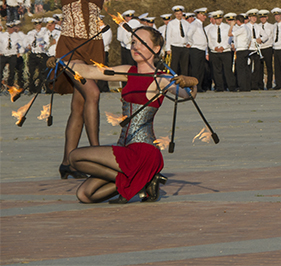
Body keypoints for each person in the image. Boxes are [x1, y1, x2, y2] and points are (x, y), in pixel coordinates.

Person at [62, 27, 197, 203]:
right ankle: (143, 181)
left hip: (143, 152)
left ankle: (141, 179)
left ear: (156, 49)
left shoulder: (161, 78)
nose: (135, 47)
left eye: (142, 43)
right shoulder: (128, 71)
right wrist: (62, 62)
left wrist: (191, 84)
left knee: (74, 157)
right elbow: (91, 72)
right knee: (85, 195)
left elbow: (186, 94)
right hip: (124, 148)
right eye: (133, 42)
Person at [53, 0, 110, 179]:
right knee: (93, 94)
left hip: (93, 49)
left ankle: (68, 161)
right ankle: (96, 156)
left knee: (79, 105)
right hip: (69, 49)